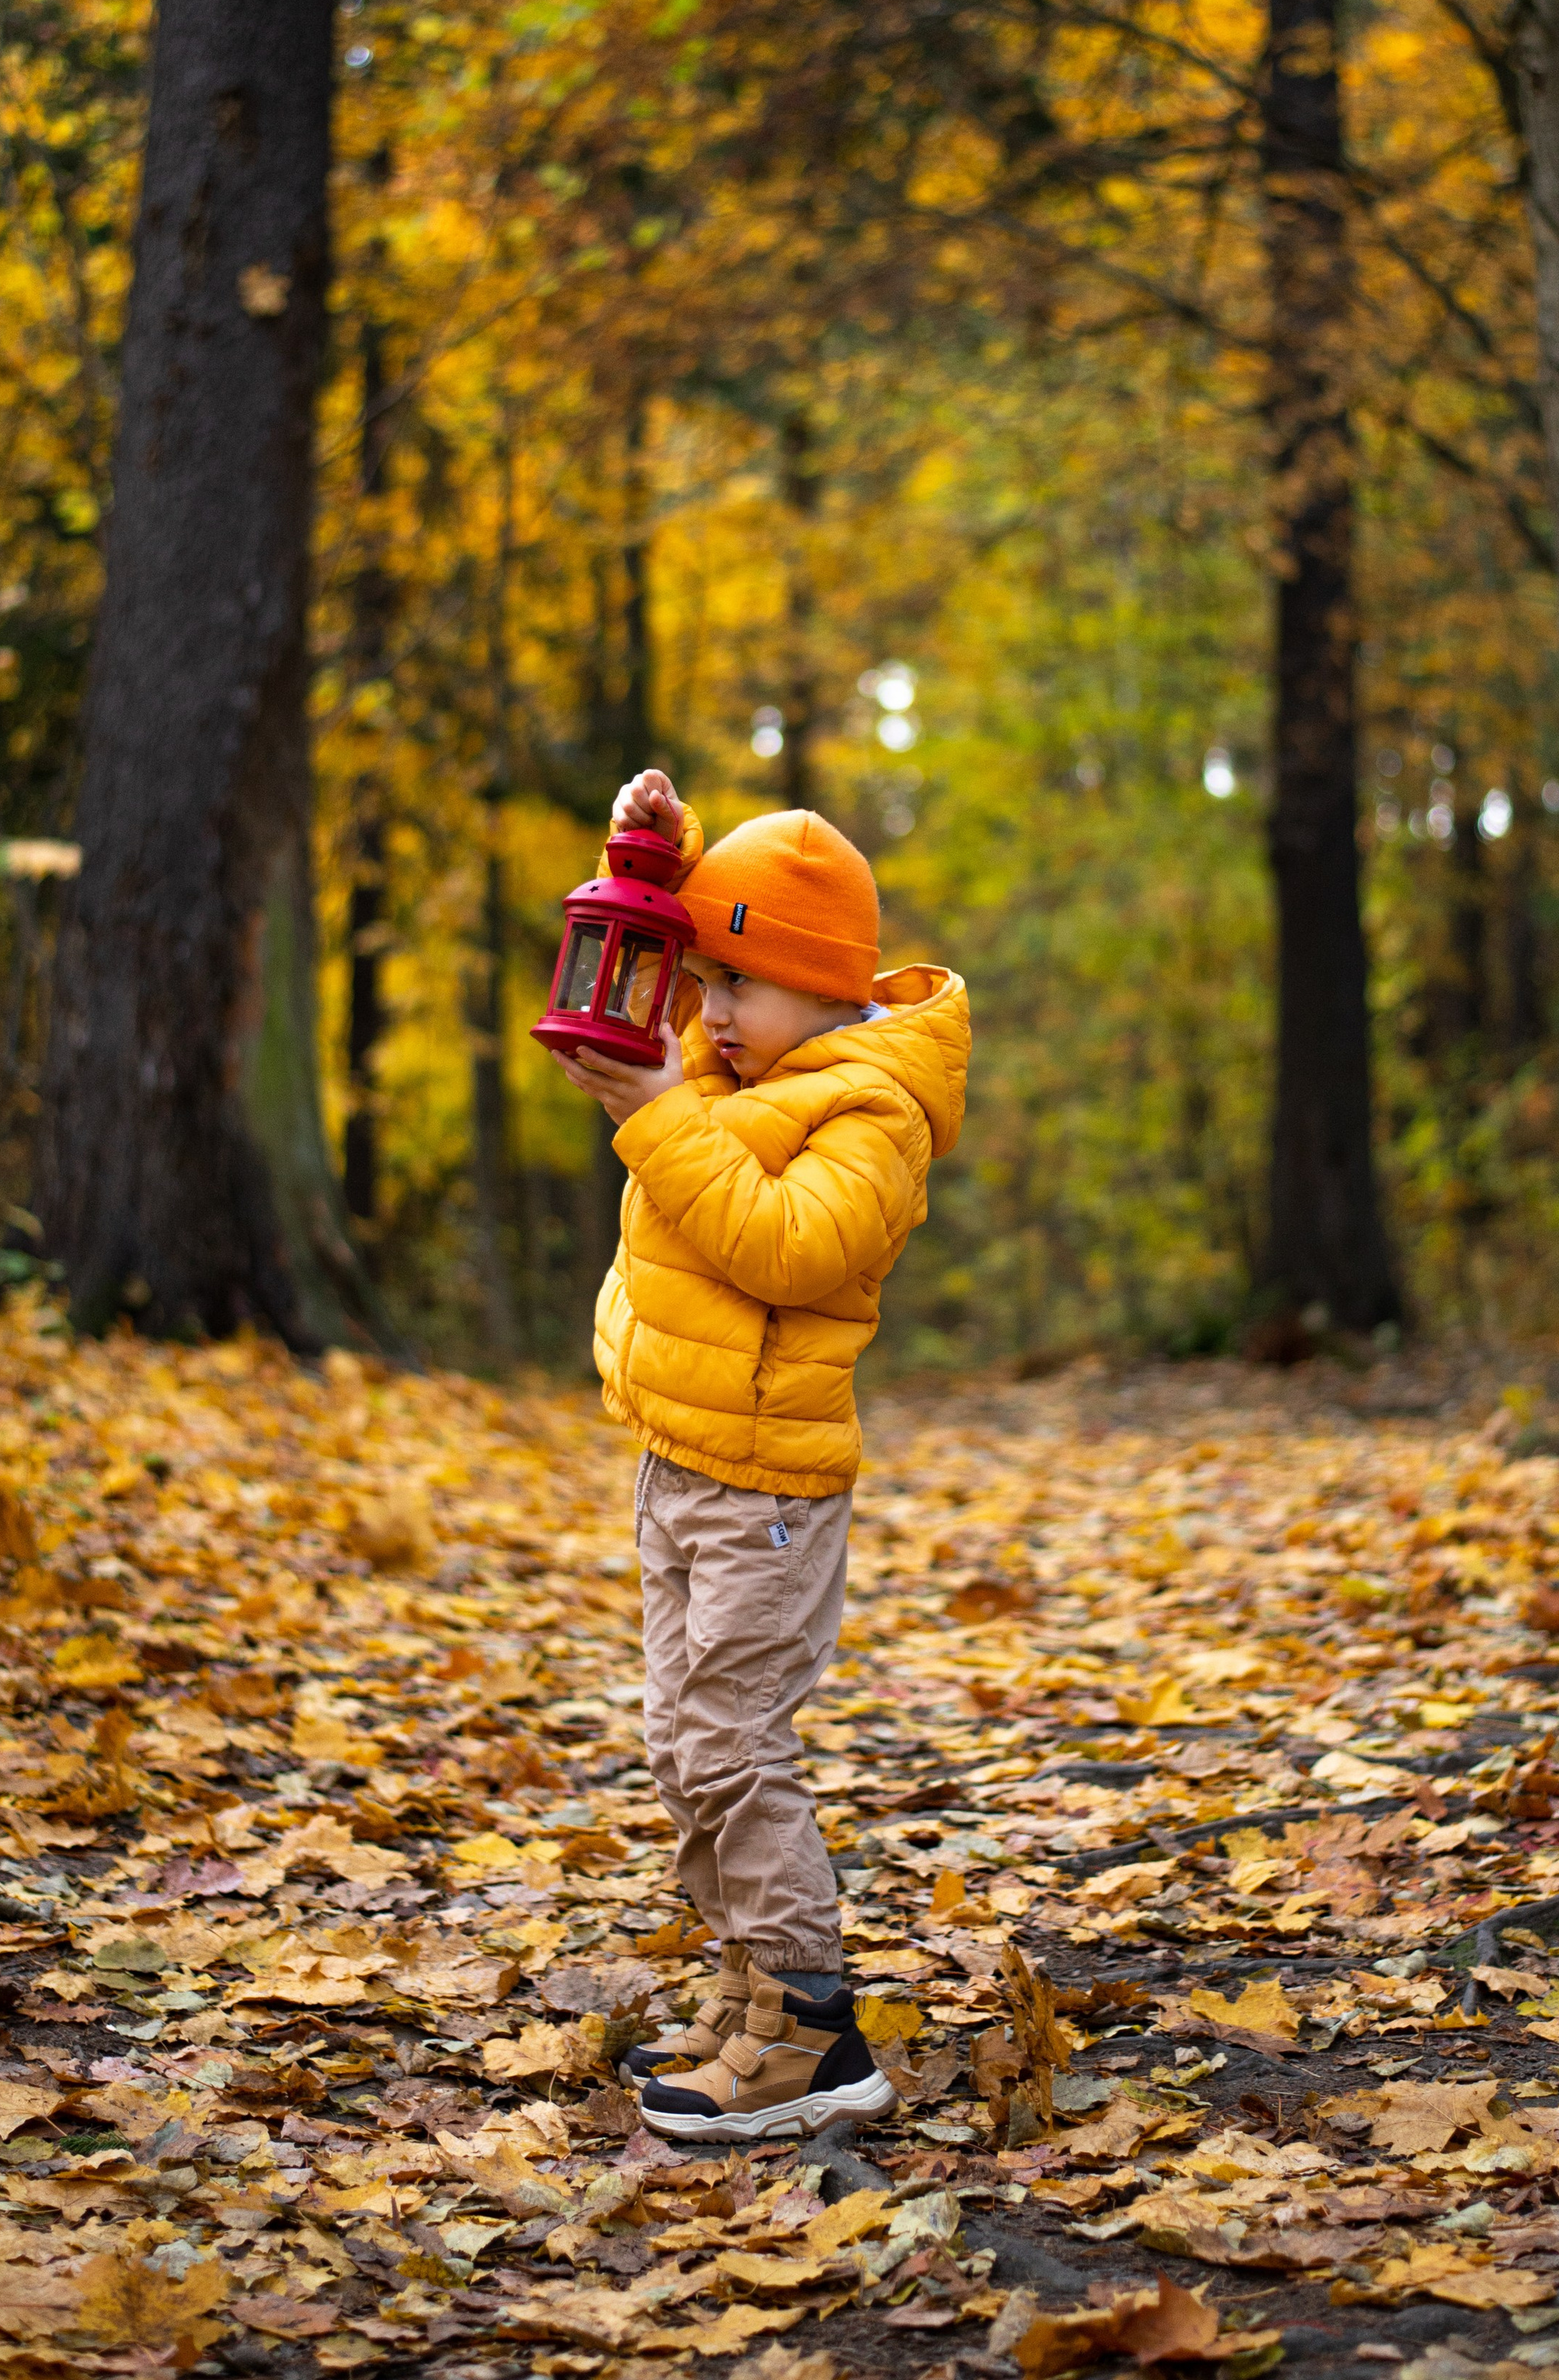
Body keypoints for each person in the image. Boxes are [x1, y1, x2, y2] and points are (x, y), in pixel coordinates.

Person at [554, 766, 970, 2141]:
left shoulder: (873, 1109)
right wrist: (649, 857)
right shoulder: (739, 1064)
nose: (706, 1012)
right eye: (701, 978)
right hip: (678, 1459)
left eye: (735, 983)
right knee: (684, 1746)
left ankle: (811, 2027)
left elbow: (786, 1246)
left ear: (818, 987)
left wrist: (652, 1114)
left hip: (767, 1492)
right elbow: (654, 960)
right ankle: (747, 1987)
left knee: (734, 1743)